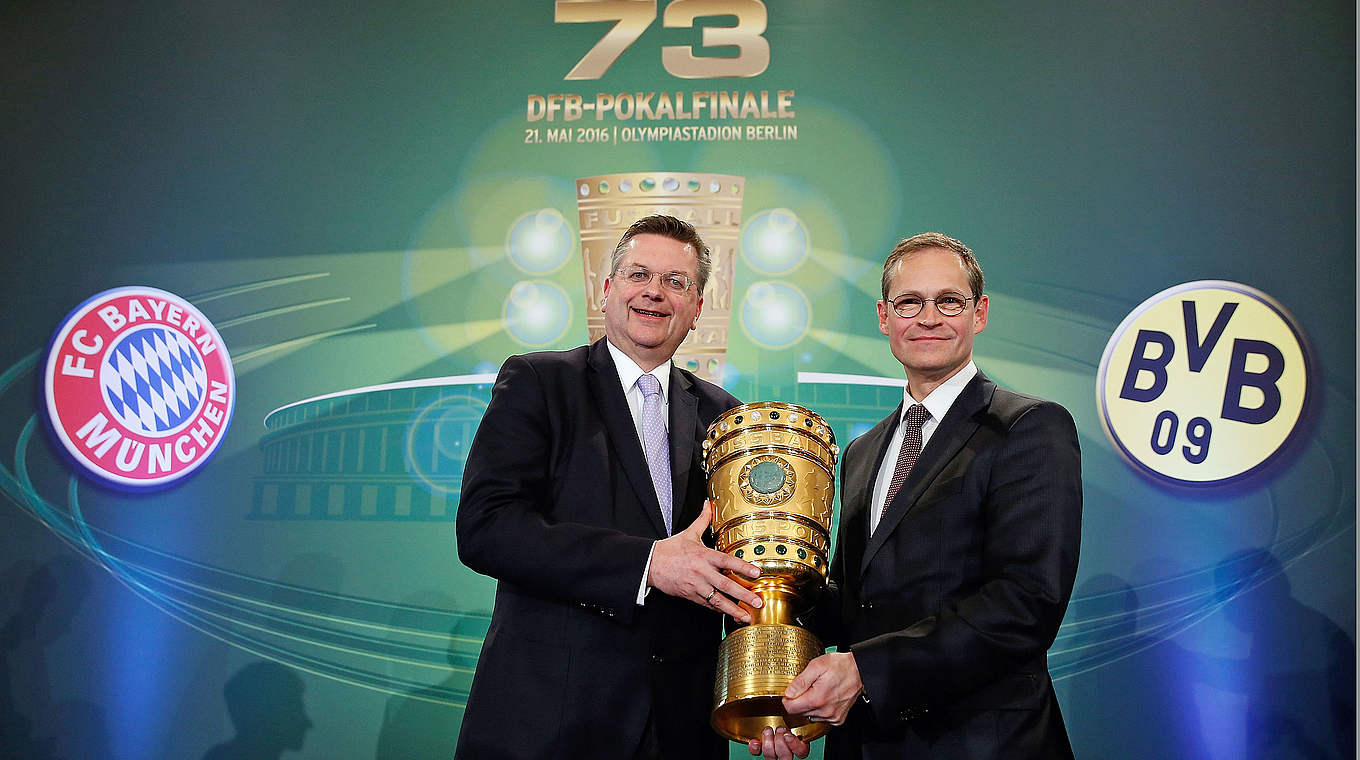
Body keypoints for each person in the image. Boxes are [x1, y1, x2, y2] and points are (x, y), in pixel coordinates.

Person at [753, 232, 1082, 760]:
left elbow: (1026, 603)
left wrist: (863, 672)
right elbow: (851, 598)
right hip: (868, 742)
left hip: (982, 743)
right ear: (885, 317)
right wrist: (779, 692)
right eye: (910, 302)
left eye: (949, 301)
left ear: (980, 313)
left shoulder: (1028, 427)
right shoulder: (861, 451)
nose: (929, 317)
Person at [455, 214, 763, 759]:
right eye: (638, 274)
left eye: (677, 282)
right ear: (607, 289)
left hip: (680, 728)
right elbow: (487, 528)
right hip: (551, 722)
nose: (654, 292)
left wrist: (767, 694)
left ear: (696, 309)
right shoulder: (540, 382)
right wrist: (646, 563)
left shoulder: (726, 417)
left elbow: (744, 569)